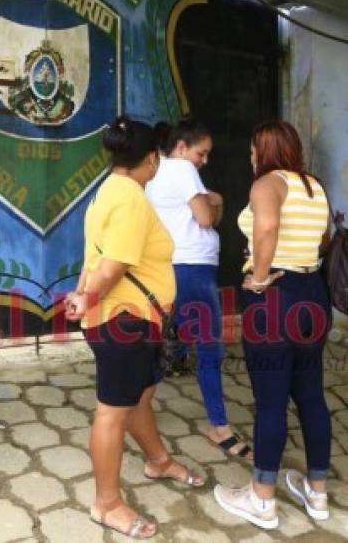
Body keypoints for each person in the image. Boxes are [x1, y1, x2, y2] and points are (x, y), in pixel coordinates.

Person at [65, 116, 205, 539]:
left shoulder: (108, 190)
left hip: (126, 317)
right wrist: (87, 298)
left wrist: (82, 296)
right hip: (123, 321)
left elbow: (95, 256)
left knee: (140, 396)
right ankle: (106, 504)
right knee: (112, 412)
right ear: (150, 159)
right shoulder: (128, 197)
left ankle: (158, 460)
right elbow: (113, 264)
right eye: (157, 159)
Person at [214, 120, 333, 530]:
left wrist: (261, 277)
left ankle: (262, 498)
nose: (250, 156)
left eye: (252, 149)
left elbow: (265, 227)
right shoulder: (314, 186)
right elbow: (324, 238)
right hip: (313, 293)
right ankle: (318, 493)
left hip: (276, 296)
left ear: (263, 151)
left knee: (270, 400)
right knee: (312, 395)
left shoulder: (267, 183)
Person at [146, 120, 251, 459]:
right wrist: (214, 198)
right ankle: (219, 426)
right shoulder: (180, 169)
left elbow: (207, 216)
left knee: (166, 340)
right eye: (200, 153)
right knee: (210, 348)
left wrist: (210, 201)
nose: (204, 161)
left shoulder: (162, 171)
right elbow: (208, 218)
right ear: (180, 148)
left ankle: (128, 407)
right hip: (190, 267)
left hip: (181, 266)